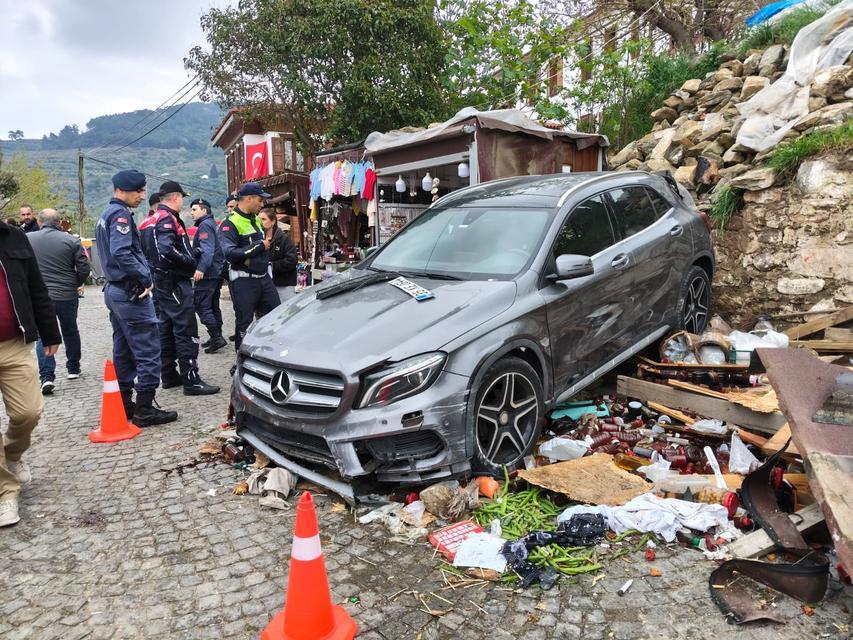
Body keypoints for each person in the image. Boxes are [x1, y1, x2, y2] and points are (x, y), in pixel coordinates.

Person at [95, 170, 177, 427]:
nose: (143, 196)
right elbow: (121, 252)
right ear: (121, 190)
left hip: (115, 290)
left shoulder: (106, 214)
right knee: (148, 349)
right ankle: (144, 408)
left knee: (123, 349)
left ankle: (124, 403)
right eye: (138, 191)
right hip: (130, 292)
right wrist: (145, 277)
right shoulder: (120, 215)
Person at [0, 218, 61, 527]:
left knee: (29, 412)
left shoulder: (13, 237)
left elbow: (36, 287)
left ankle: (11, 453)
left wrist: (50, 332)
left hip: (14, 343)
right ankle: (5, 493)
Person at [146, 182, 218, 396]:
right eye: (182, 199)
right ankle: (191, 379)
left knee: (166, 327)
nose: (183, 203)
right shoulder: (167, 218)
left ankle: (169, 375)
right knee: (186, 328)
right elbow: (166, 250)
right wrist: (189, 261)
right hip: (174, 282)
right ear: (176, 197)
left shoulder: (150, 219)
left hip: (161, 281)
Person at [27, 208, 91, 393]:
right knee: (70, 330)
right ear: (59, 222)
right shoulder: (71, 240)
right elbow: (84, 269)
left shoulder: (28, 239)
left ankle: (46, 376)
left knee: (42, 334)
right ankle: (73, 368)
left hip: (40, 297)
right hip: (66, 295)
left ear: (39, 222)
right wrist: (74, 283)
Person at [219, 182, 280, 350]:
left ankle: (269, 354)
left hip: (264, 278)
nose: (262, 204)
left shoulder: (255, 219)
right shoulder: (229, 222)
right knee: (244, 323)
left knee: (275, 317)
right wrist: (258, 246)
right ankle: (242, 359)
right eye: (260, 200)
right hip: (244, 281)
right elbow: (230, 253)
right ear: (248, 199)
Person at [190, 198, 226, 353]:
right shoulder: (211, 223)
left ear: (204, 210)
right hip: (216, 271)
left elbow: (208, 250)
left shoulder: (204, 225)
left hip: (208, 273)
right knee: (213, 305)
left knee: (202, 305)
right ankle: (216, 336)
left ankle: (216, 338)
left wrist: (201, 268)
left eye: (194, 209)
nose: (191, 213)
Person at [259, 208, 298, 302]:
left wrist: (271, 266)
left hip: (284, 284)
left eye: (263, 219)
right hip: (265, 284)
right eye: (259, 219)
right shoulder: (258, 239)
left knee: (287, 310)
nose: (260, 222)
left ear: (273, 221)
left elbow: (292, 260)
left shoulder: (284, 239)